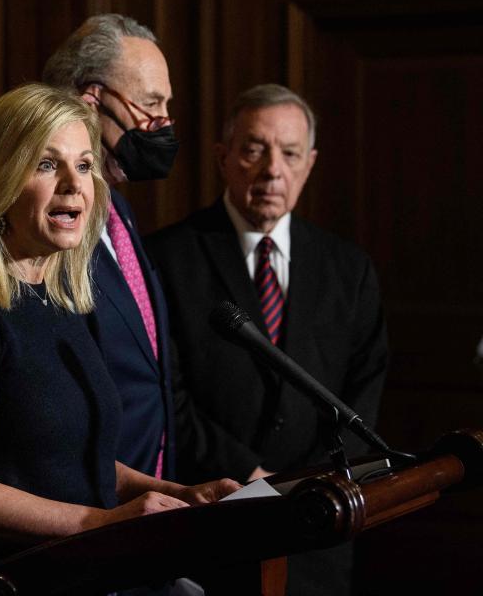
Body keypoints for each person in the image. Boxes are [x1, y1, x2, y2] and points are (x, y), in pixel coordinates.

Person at [0, 84, 239, 595]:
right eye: (48, 165)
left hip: (78, 574)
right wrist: (101, 523)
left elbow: (69, 460)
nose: (75, 186)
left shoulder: (59, 297)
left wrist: (175, 494)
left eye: (84, 165)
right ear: (2, 179)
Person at [143, 84, 388, 595]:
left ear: (310, 163)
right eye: (254, 149)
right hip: (211, 522)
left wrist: (314, 486)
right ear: (223, 157)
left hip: (320, 530)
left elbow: (363, 390)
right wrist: (249, 477)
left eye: (290, 153)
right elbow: (166, 395)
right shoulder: (168, 259)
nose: (273, 169)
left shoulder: (349, 270)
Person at [41, 14, 182, 482]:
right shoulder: (30, 225)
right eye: (150, 103)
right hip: (83, 511)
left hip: (149, 494)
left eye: (167, 104)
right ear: (90, 102)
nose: (163, 122)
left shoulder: (118, 212)